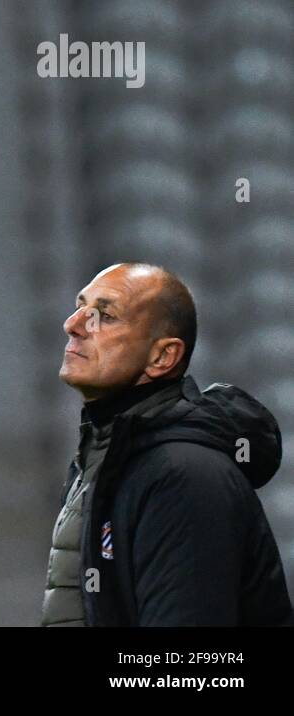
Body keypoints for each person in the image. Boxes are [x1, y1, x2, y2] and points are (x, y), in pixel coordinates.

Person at [41, 262, 293, 626]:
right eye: (81, 306)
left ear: (162, 357)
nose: (74, 324)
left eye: (105, 316)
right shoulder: (107, 457)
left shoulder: (184, 475)